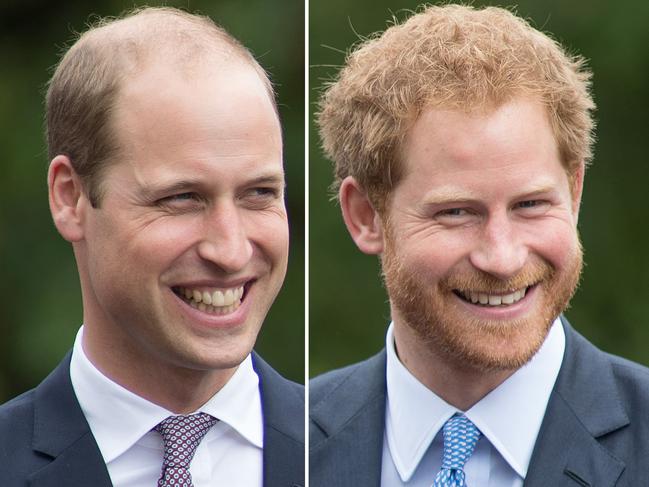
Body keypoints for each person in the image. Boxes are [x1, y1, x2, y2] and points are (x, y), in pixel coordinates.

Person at [311, 4, 649, 486]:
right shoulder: (282, 448)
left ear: (574, 194)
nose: (503, 257)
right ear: (366, 217)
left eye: (530, 204)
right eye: (456, 213)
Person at [0, 7, 303, 487]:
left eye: (259, 194)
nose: (230, 250)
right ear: (70, 197)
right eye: (182, 198)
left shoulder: (371, 458)